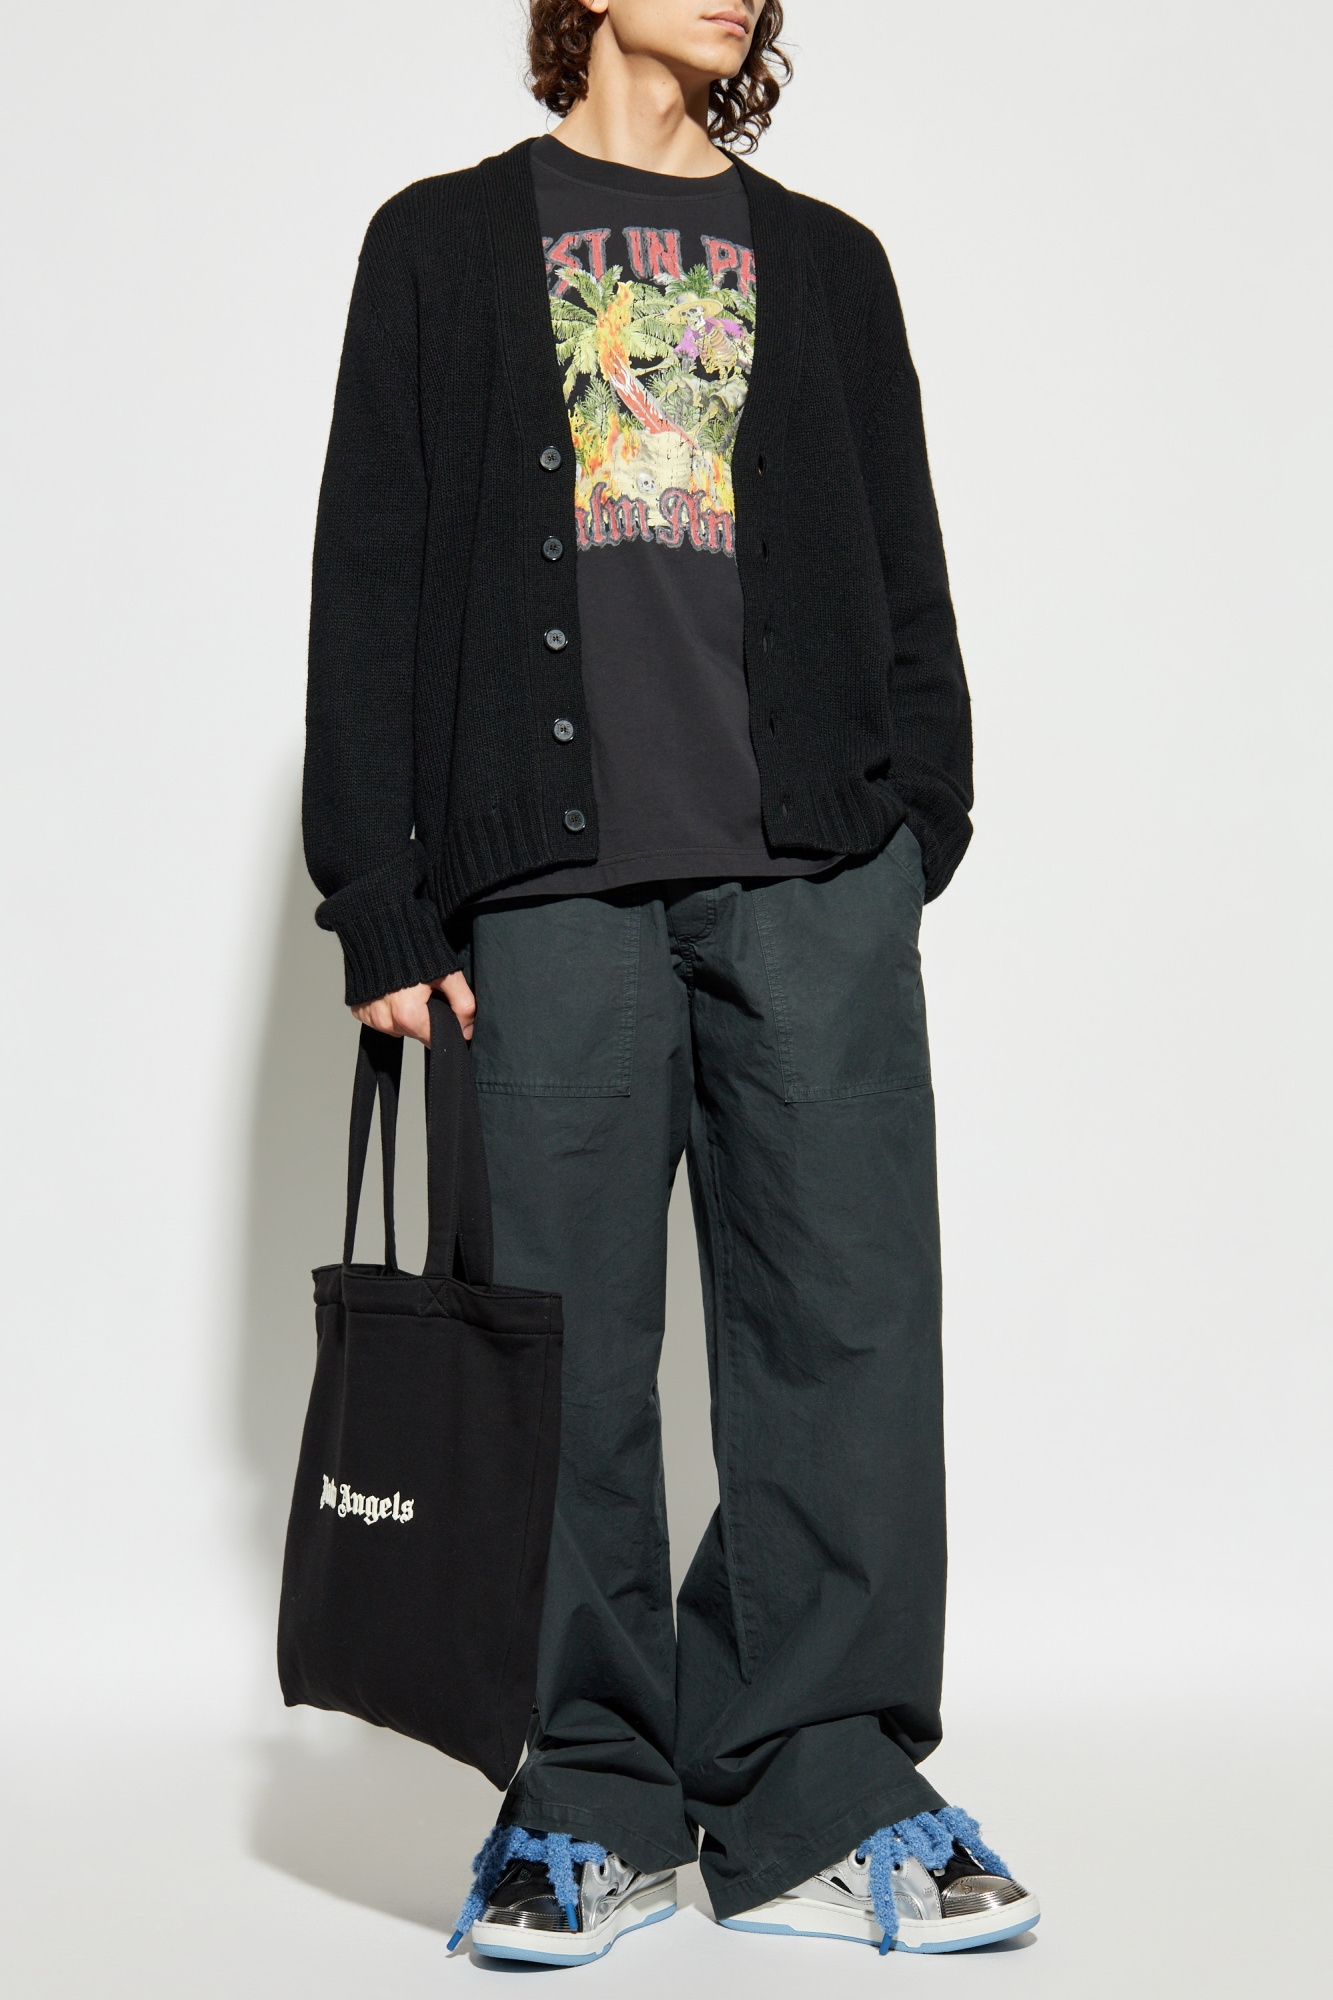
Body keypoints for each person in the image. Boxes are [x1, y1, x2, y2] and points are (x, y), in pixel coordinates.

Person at [303, 0, 1039, 1966]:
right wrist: (378, 897)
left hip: (811, 877)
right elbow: (371, 564)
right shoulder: (441, 243)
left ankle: (821, 1789)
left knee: (846, 1339)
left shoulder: (826, 263)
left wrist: (911, 827)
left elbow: (901, 564)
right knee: (560, 1351)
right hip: (542, 892)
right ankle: (587, 1800)